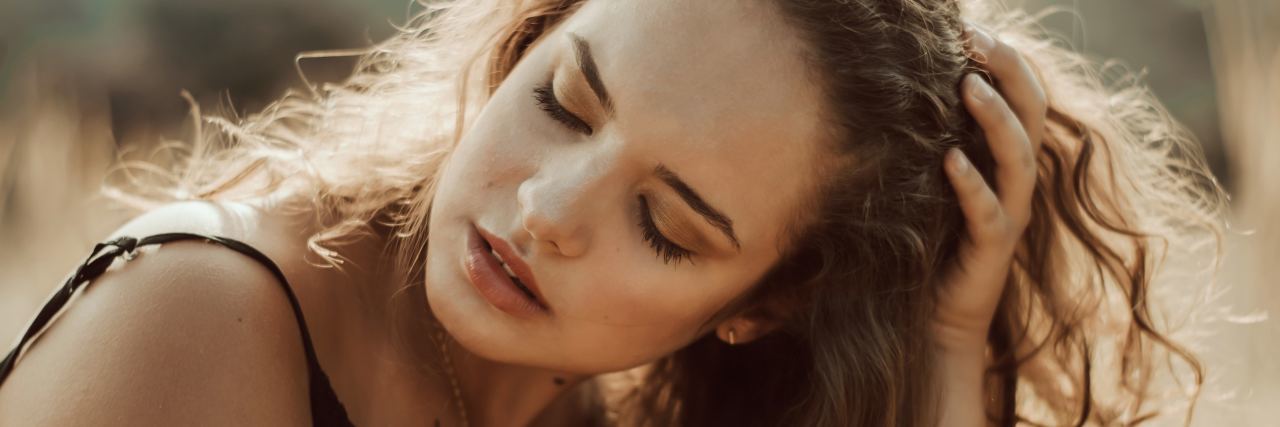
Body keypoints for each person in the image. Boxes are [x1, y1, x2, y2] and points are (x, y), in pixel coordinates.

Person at [0, 0, 1225, 425]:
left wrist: (944, 348)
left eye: (670, 226)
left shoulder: (606, 402)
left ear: (762, 305)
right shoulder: (193, 320)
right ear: (520, 46)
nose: (543, 210)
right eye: (566, 104)